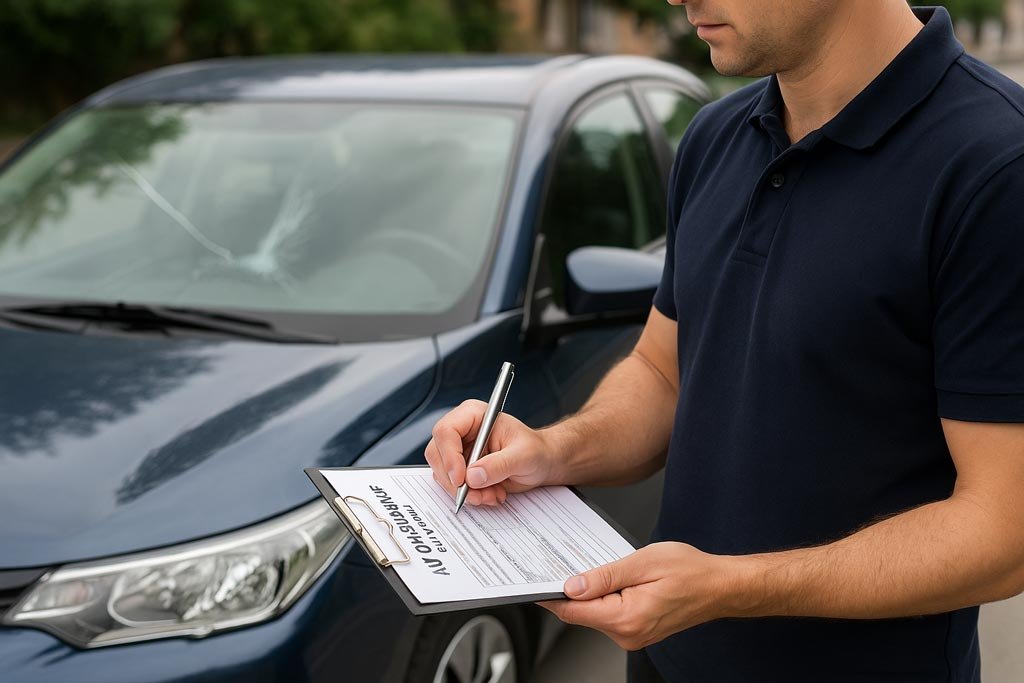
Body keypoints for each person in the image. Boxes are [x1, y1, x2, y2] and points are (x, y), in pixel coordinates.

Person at [424, 2, 1024, 681]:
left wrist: (731, 587)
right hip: (666, 658)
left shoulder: (997, 165)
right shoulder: (714, 136)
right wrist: (548, 450)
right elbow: (662, 371)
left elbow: (1005, 532)